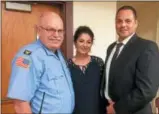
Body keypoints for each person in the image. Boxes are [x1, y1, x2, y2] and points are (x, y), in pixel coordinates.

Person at [7, 12, 74, 113]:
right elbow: (20, 103)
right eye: (50, 29)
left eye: (60, 31)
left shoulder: (58, 54)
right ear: (38, 30)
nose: (56, 35)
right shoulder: (29, 56)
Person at [101, 5, 159, 114]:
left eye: (128, 21)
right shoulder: (111, 48)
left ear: (136, 23)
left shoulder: (147, 47)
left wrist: (117, 108)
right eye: (119, 21)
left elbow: (147, 90)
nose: (123, 25)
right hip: (109, 109)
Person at [68, 26, 106, 114]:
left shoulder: (98, 63)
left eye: (88, 42)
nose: (85, 45)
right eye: (81, 41)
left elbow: (105, 88)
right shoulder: (67, 66)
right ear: (75, 42)